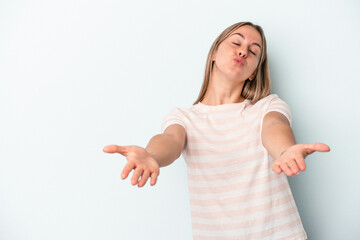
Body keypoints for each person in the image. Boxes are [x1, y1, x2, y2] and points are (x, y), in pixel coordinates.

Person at [103, 21, 330, 239]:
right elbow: (170, 139)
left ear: (253, 73)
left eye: (253, 51)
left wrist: (284, 151)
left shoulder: (268, 106)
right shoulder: (185, 118)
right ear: (214, 52)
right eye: (236, 43)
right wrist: (151, 156)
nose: (243, 52)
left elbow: (274, 126)